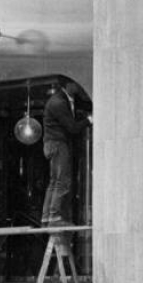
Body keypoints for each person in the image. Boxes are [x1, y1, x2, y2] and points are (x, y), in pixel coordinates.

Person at [40, 80, 91, 227]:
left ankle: (47, 217)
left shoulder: (66, 99)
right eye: (75, 83)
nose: (79, 85)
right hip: (57, 144)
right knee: (62, 182)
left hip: (53, 143)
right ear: (67, 85)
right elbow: (72, 128)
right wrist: (89, 120)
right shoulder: (58, 102)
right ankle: (54, 217)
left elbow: (82, 106)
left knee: (55, 182)